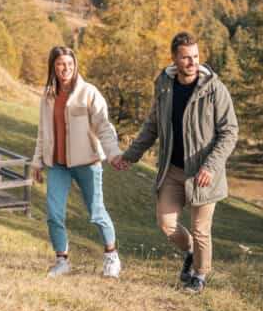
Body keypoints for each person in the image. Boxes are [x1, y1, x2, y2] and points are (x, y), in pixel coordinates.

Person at [111, 32, 237, 293]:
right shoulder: (164, 86)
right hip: (173, 170)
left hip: (203, 173)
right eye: (186, 57)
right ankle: (190, 251)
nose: (192, 62)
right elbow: (152, 126)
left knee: (201, 229)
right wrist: (130, 156)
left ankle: (199, 275)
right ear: (174, 58)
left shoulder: (214, 89)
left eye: (196, 56)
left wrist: (211, 166)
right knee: (166, 223)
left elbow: (229, 132)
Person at [32, 46, 123, 278]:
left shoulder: (88, 93)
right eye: (61, 64)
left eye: (70, 64)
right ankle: (62, 261)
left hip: (87, 162)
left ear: (75, 65)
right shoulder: (48, 96)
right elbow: (43, 131)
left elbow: (103, 126)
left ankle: (111, 256)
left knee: (96, 212)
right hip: (57, 165)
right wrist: (37, 162)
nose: (66, 68)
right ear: (53, 66)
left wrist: (113, 153)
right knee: (54, 214)